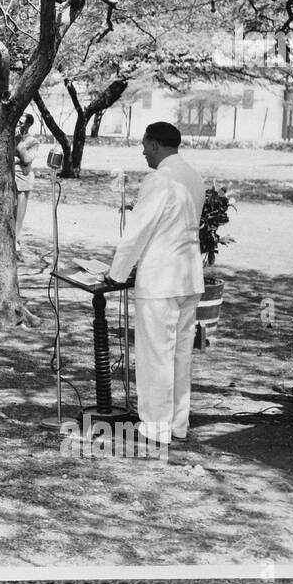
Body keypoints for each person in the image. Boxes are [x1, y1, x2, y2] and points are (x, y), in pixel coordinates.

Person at [106, 121, 206, 446]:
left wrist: (116, 273)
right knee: (180, 355)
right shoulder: (194, 176)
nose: (142, 152)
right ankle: (178, 424)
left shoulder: (159, 179)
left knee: (155, 355)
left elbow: (138, 230)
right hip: (189, 278)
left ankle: (155, 428)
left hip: (161, 279)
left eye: (144, 145)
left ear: (154, 145)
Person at [14, 113, 42, 244]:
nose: (19, 124)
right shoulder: (12, 137)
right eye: (18, 121)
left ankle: (16, 242)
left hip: (22, 179)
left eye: (22, 122)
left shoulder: (33, 142)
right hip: (9, 178)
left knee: (19, 215)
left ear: (29, 124)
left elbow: (26, 159)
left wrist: (20, 145)